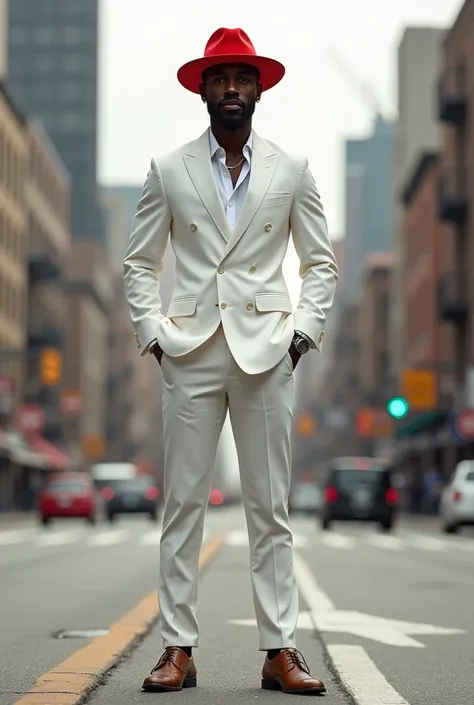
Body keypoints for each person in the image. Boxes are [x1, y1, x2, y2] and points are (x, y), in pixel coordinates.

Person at [123, 27, 338, 695]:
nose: (233, 89)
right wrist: (154, 335)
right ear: (203, 91)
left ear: (260, 88)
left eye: (243, 77)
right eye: (220, 79)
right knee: (183, 504)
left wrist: (301, 335)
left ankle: (279, 651)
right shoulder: (168, 167)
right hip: (188, 352)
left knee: (269, 506)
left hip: (268, 352)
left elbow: (320, 264)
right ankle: (177, 649)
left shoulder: (292, 169)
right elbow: (138, 262)